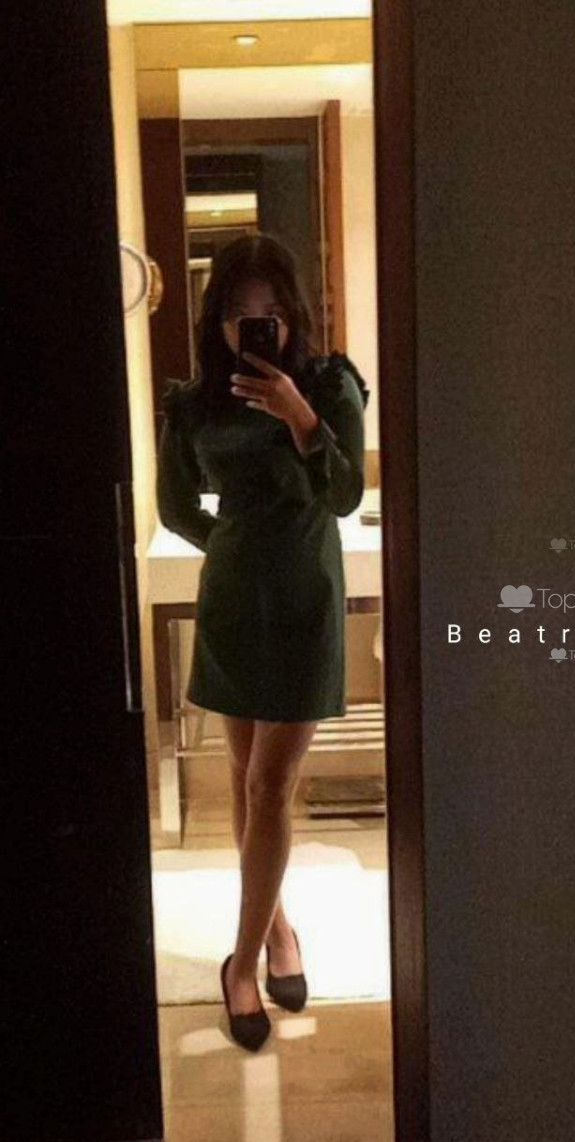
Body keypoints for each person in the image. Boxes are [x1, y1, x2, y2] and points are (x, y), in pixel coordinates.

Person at [156, 233, 368, 1051]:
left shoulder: (328, 384)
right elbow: (177, 507)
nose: (259, 327)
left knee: (270, 784)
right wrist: (234, 544)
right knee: (247, 782)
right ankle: (278, 933)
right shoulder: (195, 404)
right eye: (242, 315)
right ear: (217, 321)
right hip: (236, 598)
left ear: (293, 314)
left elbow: (345, 495)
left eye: (272, 313)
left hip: (306, 595)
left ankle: (239, 964)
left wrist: (300, 418)